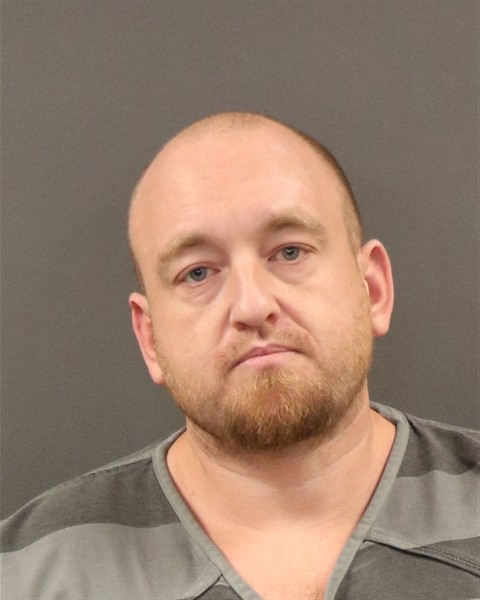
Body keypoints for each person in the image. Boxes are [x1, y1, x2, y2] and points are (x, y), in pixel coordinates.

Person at [1, 112, 478, 600]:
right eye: (197, 273)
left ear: (372, 289)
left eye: (289, 252)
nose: (252, 305)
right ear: (150, 338)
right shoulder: (28, 576)